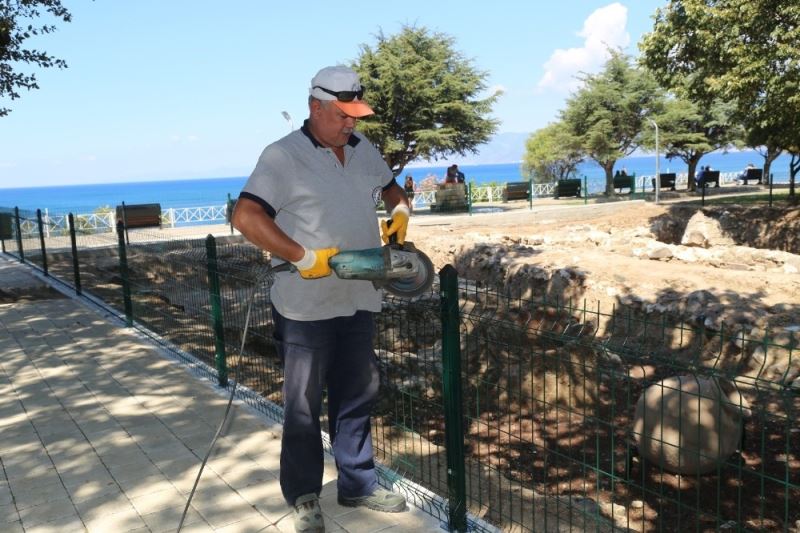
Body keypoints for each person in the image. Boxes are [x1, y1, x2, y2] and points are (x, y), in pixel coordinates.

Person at [232, 65, 409, 533]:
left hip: (360, 295)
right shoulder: (283, 156)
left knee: (357, 395)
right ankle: (304, 494)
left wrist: (399, 212)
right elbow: (246, 216)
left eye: (356, 115)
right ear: (315, 106)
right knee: (303, 407)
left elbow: (390, 187)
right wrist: (302, 255)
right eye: (342, 114)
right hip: (305, 307)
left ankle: (358, 484)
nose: (351, 123)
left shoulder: (362, 148)